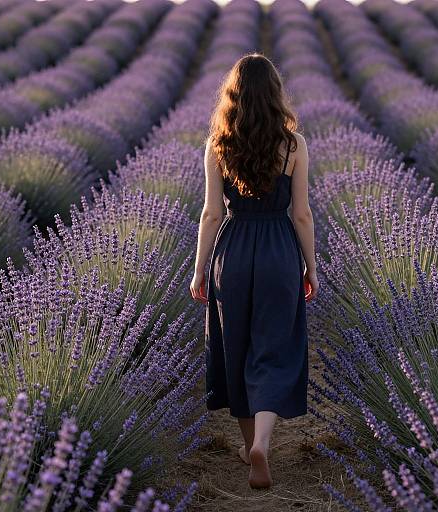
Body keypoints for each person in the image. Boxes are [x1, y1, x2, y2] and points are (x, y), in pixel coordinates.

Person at [189, 53, 319, 490]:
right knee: (273, 347)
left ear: (233, 97)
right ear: (275, 95)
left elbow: (210, 213)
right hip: (280, 250)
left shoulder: (218, 144)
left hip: (234, 250)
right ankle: (262, 441)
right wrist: (311, 267)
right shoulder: (294, 144)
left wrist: (200, 268)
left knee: (235, 346)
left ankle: (249, 450)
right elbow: (302, 215)